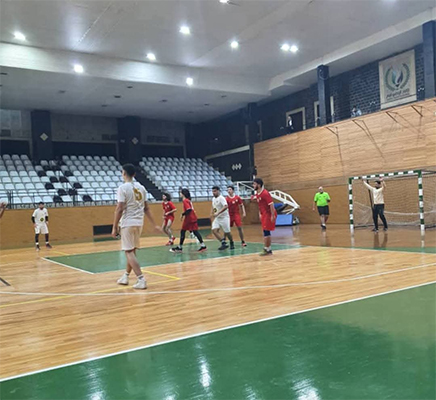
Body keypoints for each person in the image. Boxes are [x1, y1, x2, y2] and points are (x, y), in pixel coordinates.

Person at [113, 164, 160, 290]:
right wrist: (154, 224)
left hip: (127, 222)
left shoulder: (122, 188)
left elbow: (119, 208)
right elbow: (147, 208)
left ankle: (141, 279)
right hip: (139, 222)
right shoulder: (142, 188)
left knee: (128, 251)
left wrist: (114, 227)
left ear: (123, 173)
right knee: (132, 251)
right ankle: (126, 276)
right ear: (134, 174)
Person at [170, 188, 207, 253]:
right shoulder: (188, 200)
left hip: (190, 218)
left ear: (183, 194)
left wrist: (183, 214)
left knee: (185, 231)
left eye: (180, 192)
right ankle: (203, 246)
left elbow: (189, 209)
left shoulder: (185, 201)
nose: (180, 194)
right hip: (191, 218)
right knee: (193, 232)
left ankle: (180, 247)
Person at [252, 178, 276, 256]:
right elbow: (260, 205)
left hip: (268, 214)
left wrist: (272, 215)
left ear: (259, 185)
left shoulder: (265, 193)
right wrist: (260, 213)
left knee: (266, 231)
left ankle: (267, 249)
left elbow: (271, 204)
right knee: (265, 231)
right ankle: (268, 249)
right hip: (264, 214)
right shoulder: (257, 194)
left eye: (254, 184)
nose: (253, 185)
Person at [211, 186, 234, 250]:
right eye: (213, 191)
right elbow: (214, 207)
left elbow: (226, 206)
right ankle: (223, 243)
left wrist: (218, 213)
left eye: (215, 191)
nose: (213, 193)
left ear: (218, 191)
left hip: (224, 218)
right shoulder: (213, 199)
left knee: (227, 232)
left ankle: (231, 242)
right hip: (217, 218)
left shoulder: (221, 198)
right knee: (214, 230)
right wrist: (213, 213)